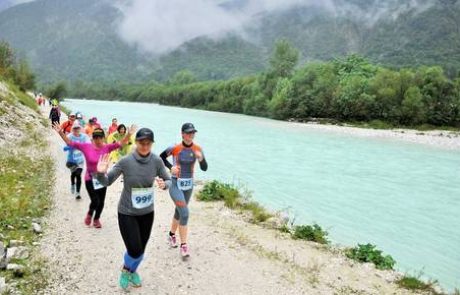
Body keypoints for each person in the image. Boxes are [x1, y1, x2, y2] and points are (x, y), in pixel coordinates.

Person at [96, 128, 171, 290]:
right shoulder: (125, 161)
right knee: (134, 249)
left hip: (147, 213)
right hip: (127, 212)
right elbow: (107, 181)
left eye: (148, 143)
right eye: (141, 143)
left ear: (151, 144)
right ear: (136, 143)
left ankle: (132, 270)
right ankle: (125, 271)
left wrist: (165, 185)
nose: (144, 146)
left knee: (141, 249)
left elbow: (168, 179)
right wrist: (100, 173)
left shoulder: (157, 161)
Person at [53, 122, 136, 228]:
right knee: (95, 200)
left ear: (103, 138)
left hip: (102, 179)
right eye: (96, 138)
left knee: (101, 202)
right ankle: (90, 214)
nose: (98, 140)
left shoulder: (107, 147)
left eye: (100, 137)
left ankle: (96, 219)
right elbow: (70, 143)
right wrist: (61, 133)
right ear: (93, 138)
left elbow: (121, 143)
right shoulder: (86, 147)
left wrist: (129, 134)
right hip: (90, 178)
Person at [160, 123, 208, 258]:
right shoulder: (174, 147)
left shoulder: (197, 149)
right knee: (185, 213)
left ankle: (171, 235)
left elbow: (204, 168)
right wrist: (170, 168)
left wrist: (201, 159)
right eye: (188, 133)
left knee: (179, 211)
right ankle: (184, 246)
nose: (190, 135)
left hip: (188, 185)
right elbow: (161, 158)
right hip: (175, 184)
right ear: (182, 134)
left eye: (193, 133)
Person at [63, 121, 90, 199]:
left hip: (80, 161)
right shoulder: (70, 136)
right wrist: (70, 147)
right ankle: (72, 184)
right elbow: (65, 147)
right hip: (71, 161)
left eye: (78, 128)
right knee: (73, 174)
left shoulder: (84, 137)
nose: (76, 130)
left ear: (80, 129)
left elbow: (88, 144)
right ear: (72, 129)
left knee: (78, 175)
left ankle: (78, 193)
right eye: (75, 128)